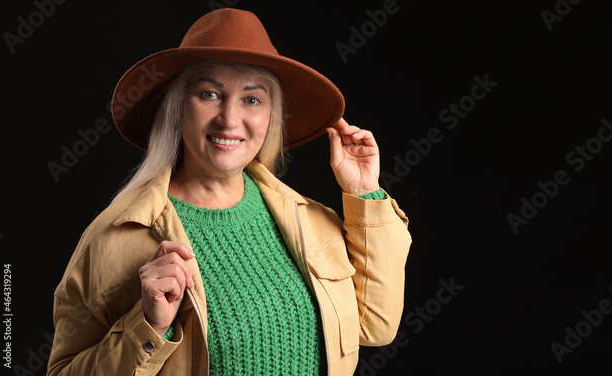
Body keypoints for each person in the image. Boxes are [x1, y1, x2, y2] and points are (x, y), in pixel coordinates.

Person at [47, 8, 411, 375]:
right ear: (177, 108)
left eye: (252, 100)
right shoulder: (115, 237)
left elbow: (375, 326)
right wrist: (148, 327)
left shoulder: (311, 221)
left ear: (271, 116)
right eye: (209, 94)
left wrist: (365, 192)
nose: (229, 119)